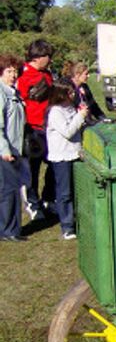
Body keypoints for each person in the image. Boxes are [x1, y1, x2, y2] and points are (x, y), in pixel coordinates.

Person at [16, 38, 54, 220]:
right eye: (48, 56)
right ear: (38, 57)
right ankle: (32, 203)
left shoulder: (47, 74)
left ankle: (48, 198)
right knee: (33, 168)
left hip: (49, 127)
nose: (50, 60)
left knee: (53, 163)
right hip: (33, 128)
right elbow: (19, 101)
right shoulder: (23, 76)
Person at [46, 80, 88, 239]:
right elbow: (68, 131)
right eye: (70, 92)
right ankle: (67, 226)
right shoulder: (55, 112)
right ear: (61, 94)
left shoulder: (69, 108)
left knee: (76, 189)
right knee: (64, 192)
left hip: (75, 154)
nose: (73, 95)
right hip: (62, 157)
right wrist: (80, 116)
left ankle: (78, 220)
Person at [0, 54, 26, 241]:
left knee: (14, 189)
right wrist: (5, 150)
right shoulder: (2, 94)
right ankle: (7, 230)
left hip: (16, 149)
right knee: (7, 191)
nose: (13, 75)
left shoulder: (13, 92)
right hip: (5, 152)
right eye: (9, 71)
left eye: (15, 71)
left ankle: (13, 229)